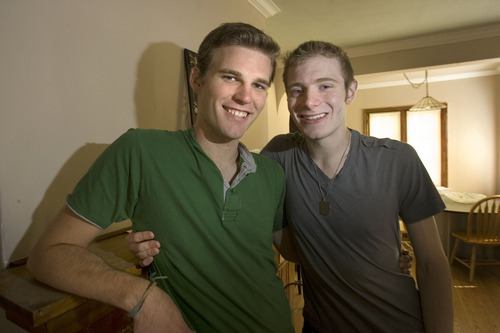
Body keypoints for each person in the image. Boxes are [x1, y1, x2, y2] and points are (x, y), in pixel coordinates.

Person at [130, 41, 453, 333]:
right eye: (297, 90)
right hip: (318, 325)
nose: (310, 102)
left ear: (350, 91)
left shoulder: (398, 159)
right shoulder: (277, 158)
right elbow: (219, 194)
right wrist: (152, 238)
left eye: (325, 86)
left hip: (397, 322)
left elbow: (431, 263)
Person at [27, 22, 297, 333]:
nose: (245, 97)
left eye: (259, 85)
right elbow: (47, 254)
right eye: (230, 77)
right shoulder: (141, 151)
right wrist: (142, 296)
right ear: (197, 78)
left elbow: (291, 250)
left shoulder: (272, 174)